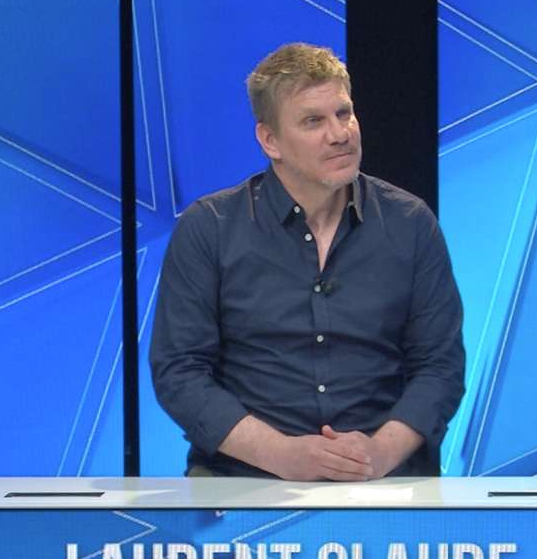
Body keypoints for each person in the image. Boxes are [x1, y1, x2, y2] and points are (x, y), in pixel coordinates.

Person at [149, 43, 464, 480]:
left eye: (344, 113)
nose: (340, 134)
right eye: (313, 121)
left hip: (384, 478)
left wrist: (377, 454)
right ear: (270, 140)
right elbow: (179, 372)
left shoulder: (410, 223)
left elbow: (440, 367)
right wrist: (280, 455)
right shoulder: (210, 228)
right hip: (245, 478)